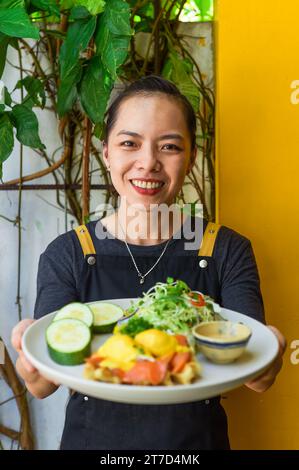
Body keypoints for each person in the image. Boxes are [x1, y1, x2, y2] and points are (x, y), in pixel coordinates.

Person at [11, 75, 286, 450]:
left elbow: (259, 377)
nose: (148, 163)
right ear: (106, 152)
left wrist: (271, 351)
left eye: (169, 146)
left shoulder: (225, 249)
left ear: (190, 158)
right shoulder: (68, 253)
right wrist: (28, 357)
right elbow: (42, 385)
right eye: (129, 143)